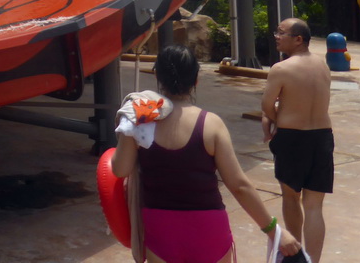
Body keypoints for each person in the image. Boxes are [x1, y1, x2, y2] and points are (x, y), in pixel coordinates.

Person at [113, 44, 301, 263]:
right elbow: (239, 186)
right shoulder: (211, 124)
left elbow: (120, 169)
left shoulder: (141, 119)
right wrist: (272, 230)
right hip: (208, 228)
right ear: (196, 81)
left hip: (160, 227)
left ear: (158, 77)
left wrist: (130, 122)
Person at [262, 18, 333, 263]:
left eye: (281, 33)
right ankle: (313, 260)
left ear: (298, 39)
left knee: (291, 198)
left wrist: (271, 119)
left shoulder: (281, 68)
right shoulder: (322, 65)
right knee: (314, 206)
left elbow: (266, 105)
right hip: (322, 138)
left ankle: (295, 256)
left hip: (293, 138)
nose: (276, 36)